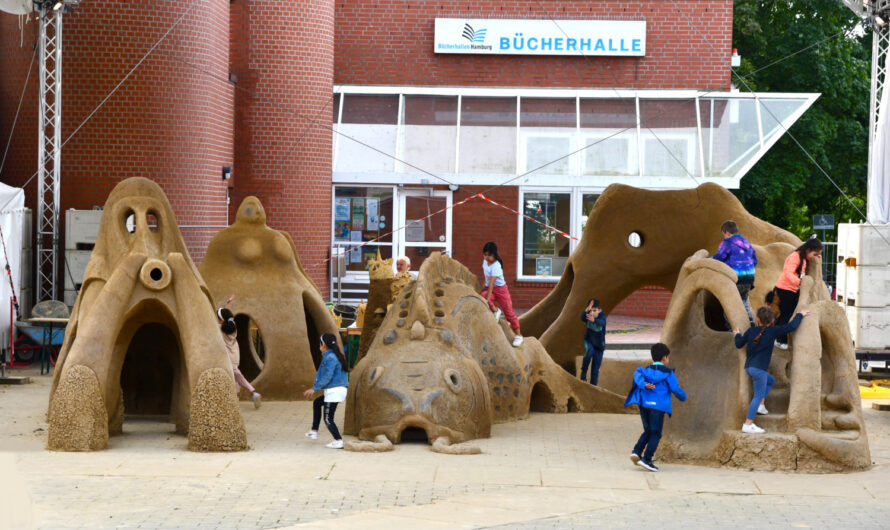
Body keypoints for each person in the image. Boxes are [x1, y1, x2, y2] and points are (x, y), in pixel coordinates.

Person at [734, 306, 809, 434]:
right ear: (772, 321)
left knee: (771, 380)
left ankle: (761, 406)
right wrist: (800, 315)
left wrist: (737, 334)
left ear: (757, 319)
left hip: (749, 367)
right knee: (757, 396)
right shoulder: (773, 331)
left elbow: (739, 343)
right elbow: (791, 327)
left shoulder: (751, 331)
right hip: (759, 370)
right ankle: (748, 423)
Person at [624, 343, 686, 472]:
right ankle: (647, 459)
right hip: (658, 407)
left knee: (648, 431)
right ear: (664, 358)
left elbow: (637, 376)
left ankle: (636, 451)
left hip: (644, 405)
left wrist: (644, 384)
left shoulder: (645, 370)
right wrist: (683, 396)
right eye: (668, 357)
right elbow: (675, 388)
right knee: (656, 433)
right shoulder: (668, 373)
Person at [773, 238, 822, 349]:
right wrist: (799, 282)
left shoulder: (804, 258)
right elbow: (788, 273)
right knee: (786, 314)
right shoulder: (795, 256)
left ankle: (777, 337)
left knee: (787, 313)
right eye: (815, 254)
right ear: (808, 249)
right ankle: (779, 340)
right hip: (785, 289)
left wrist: (817, 257)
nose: (815, 257)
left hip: (793, 289)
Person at [303, 333, 349, 449]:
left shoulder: (331, 358)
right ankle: (314, 430)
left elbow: (327, 376)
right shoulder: (333, 356)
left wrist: (315, 388)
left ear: (323, 345)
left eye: (320, 343)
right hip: (335, 390)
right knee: (317, 403)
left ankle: (338, 440)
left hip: (335, 392)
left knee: (328, 418)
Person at [217, 295, 261, 409]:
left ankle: (253, 392)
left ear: (221, 320)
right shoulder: (232, 326)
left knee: (236, 374)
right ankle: (236, 398)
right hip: (235, 353)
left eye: (218, 318)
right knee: (234, 375)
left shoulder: (219, 328)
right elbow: (229, 316)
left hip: (228, 355)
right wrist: (228, 304)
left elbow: (225, 317)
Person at [712, 220, 757, 326]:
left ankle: (731, 328)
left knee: (729, 302)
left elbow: (720, 257)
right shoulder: (746, 243)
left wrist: (710, 260)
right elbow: (755, 260)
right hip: (749, 278)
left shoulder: (727, 242)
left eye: (723, 234)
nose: (724, 237)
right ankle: (749, 321)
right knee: (743, 299)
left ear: (726, 232)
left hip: (736, 278)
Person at [482, 241, 523, 347]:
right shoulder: (485, 262)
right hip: (491, 289)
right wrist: (483, 291)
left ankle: (518, 335)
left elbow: (491, 283)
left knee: (509, 313)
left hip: (501, 290)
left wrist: (487, 298)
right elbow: (487, 279)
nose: (487, 257)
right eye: (485, 254)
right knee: (481, 296)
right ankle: (496, 311)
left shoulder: (496, 266)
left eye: (489, 255)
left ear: (494, 254)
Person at [579, 298, 606, 385]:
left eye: (595, 311)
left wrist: (594, 320)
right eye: (591, 311)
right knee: (589, 351)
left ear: (599, 310)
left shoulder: (602, 316)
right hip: (589, 341)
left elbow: (602, 322)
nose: (592, 313)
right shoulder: (588, 315)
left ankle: (593, 386)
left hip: (599, 346)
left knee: (595, 369)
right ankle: (583, 372)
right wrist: (586, 310)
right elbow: (582, 317)